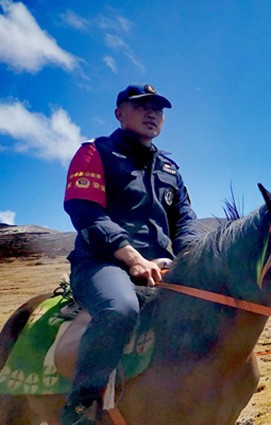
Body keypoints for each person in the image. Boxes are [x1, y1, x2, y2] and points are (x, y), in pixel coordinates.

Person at [61, 84, 199, 424]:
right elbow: (85, 211)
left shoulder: (170, 169)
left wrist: (191, 257)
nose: (152, 113)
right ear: (119, 113)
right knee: (120, 309)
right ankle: (80, 408)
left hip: (159, 265)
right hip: (102, 263)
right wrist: (132, 257)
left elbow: (185, 220)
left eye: (158, 108)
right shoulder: (95, 152)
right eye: (141, 106)